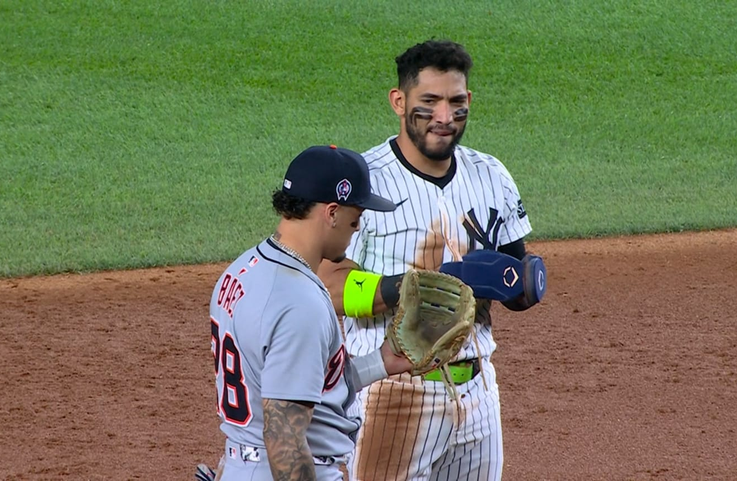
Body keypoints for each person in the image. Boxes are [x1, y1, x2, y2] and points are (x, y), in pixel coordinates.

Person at [317, 39, 540, 480]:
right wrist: (404, 289)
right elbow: (327, 283)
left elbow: (518, 277)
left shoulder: (491, 175)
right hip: (395, 393)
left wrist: (516, 284)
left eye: (457, 102)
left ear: (469, 100)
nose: (444, 117)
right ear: (399, 102)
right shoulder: (363, 179)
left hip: (477, 395)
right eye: (430, 102)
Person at [206, 145, 413, 481]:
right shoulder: (299, 302)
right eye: (355, 217)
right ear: (331, 213)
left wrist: (382, 361)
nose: (357, 227)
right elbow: (284, 439)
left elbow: (295, 381)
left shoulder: (242, 270)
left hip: (242, 463)